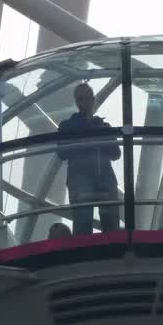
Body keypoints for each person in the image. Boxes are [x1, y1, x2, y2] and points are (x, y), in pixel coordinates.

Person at [57, 83, 121, 236]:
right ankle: (84, 255)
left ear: (93, 100)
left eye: (87, 99)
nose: (84, 102)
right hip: (82, 177)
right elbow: (62, 152)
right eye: (81, 99)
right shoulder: (68, 126)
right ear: (77, 102)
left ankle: (113, 253)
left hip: (103, 176)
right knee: (83, 221)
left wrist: (101, 132)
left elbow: (116, 153)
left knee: (111, 222)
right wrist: (93, 135)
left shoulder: (102, 126)